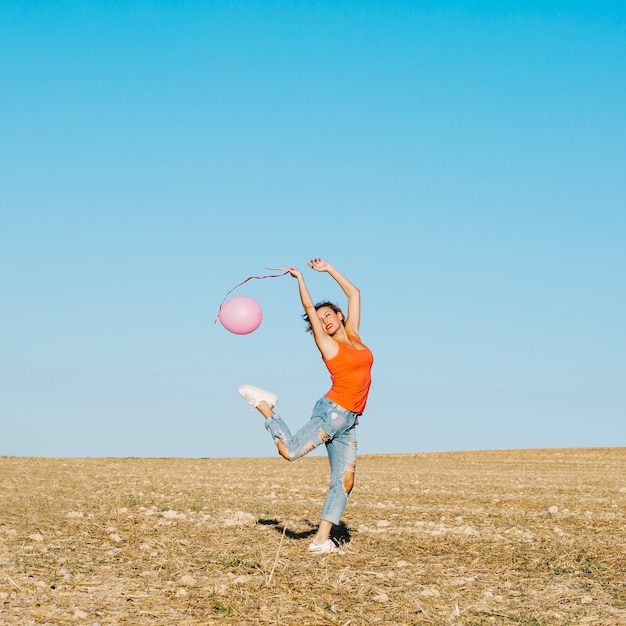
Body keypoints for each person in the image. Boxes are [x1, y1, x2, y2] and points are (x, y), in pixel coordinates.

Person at [237, 258, 374, 555]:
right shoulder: (328, 345)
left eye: (329, 315)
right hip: (331, 412)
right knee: (288, 452)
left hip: (349, 420)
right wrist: (301, 279)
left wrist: (329, 269)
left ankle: (320, 540)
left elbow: (355, 294)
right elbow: (310, 309)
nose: (324, 320)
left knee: (345, 481)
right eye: (320, 318)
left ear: (340, 315)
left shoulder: (354, 335)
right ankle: (265, 406)